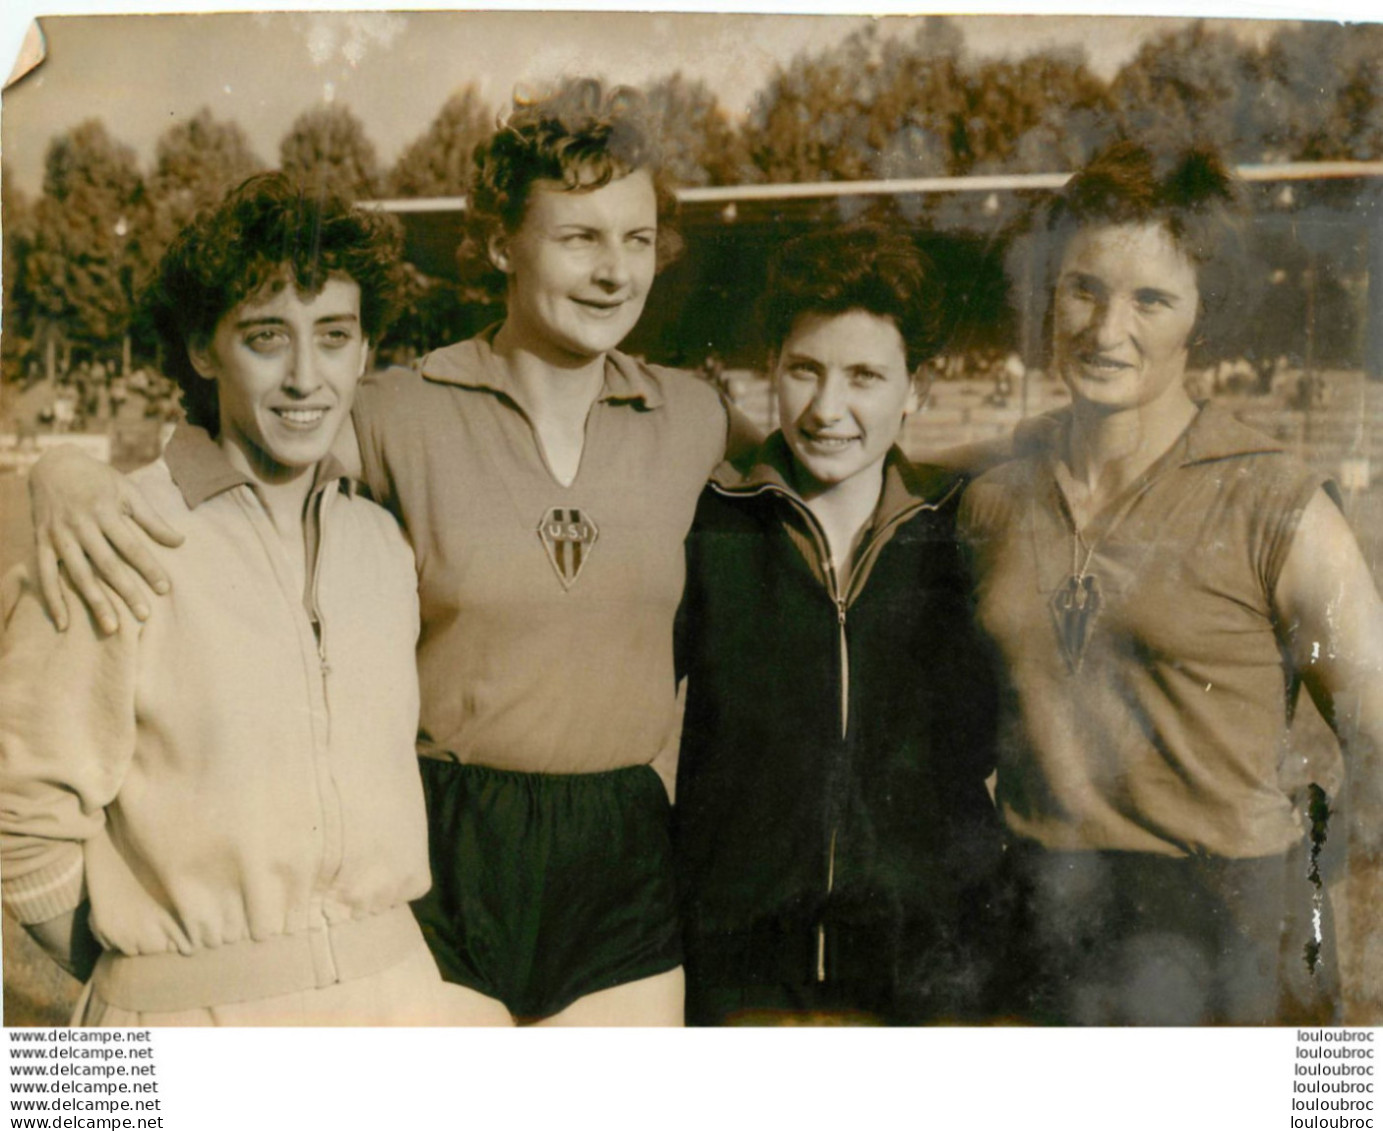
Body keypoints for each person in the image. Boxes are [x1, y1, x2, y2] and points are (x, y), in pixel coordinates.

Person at [25, 80, 739, 1026]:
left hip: (620, 852)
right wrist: (63, 474)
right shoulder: (395, 408)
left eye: (637, 239)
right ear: (498, 246)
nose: (614, 271)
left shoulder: (693, 416)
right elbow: (251, 425)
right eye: (579, 238)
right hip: (447, 848)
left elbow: (832, 463)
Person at [0, 173, 448, 1025]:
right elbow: (21, 813)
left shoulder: (380, 545)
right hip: (189, 1021)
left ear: (364, 350)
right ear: (205, 350)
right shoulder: (117, 532)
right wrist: (145, 979)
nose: (304, 377)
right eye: (266, 337)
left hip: (398, 1003)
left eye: (334, 335)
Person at [959, 140, 1383, 1025]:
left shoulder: (1278, 506)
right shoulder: (994, 495)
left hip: (1225, 932)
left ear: (1202, 314)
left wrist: (1292, 884)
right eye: (1083, 289)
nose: (1106, 330)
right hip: (1044, 923)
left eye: (1151, 298)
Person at [675, 224, 1006, 1026]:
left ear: (914, 388)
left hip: (921, 979)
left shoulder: (961, 532)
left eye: (864, 376)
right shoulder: (709, 524)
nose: (828, 409)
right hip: (743, 979)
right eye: (804, 371)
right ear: (771, 375)